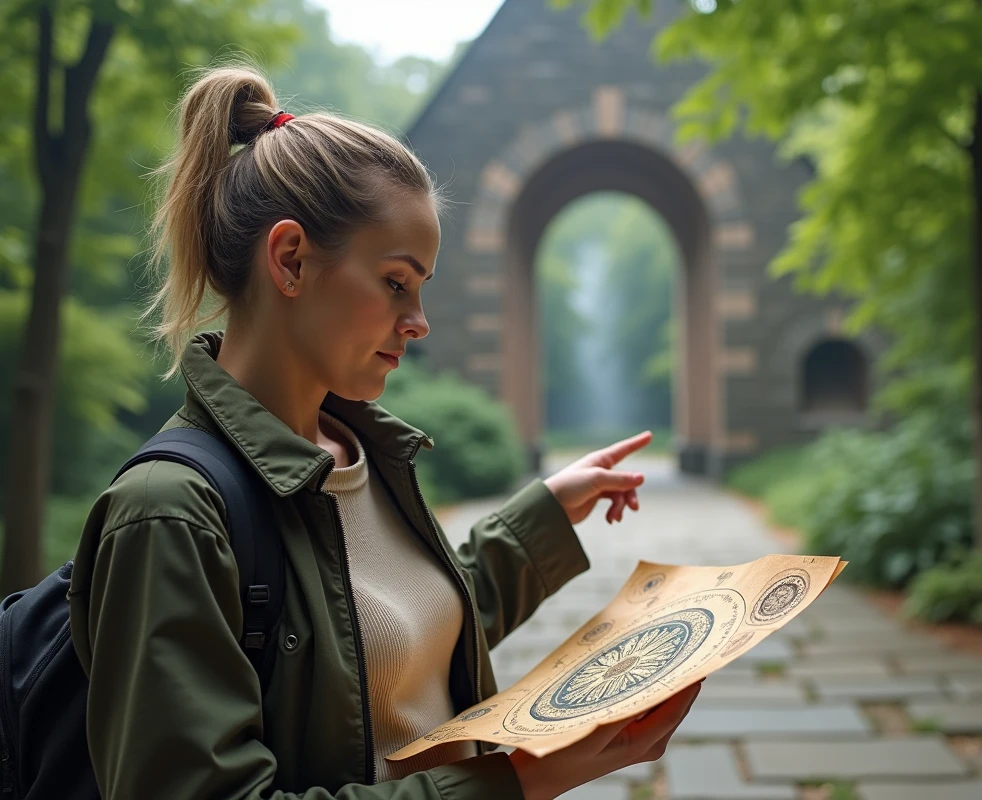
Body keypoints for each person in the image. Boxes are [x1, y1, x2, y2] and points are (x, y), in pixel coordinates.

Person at [66, 64, 702, 800]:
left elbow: (388, 649)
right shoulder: (169, 515)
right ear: (291, 260)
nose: (419, 321)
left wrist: (547, 516)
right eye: (398, 282)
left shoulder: (357, 455)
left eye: (422, 287)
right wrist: (517, 779)